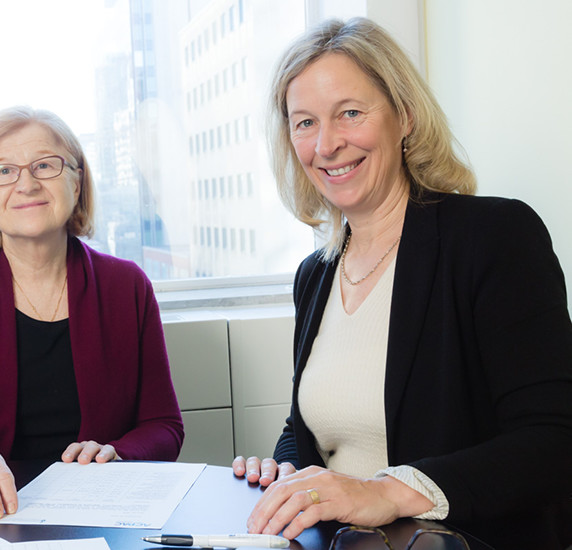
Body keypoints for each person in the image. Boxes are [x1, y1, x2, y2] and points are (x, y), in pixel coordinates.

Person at [232, 17, 572, 548]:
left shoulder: (495, 236)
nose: (327, 144)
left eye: (350, 113)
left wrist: (387, 491)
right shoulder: (315, 274)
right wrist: (285, 472)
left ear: (405, 115)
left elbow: (554, 439)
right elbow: (310, 426)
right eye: (304, 123)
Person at [0, 106, 184, 522]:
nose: (26, 184)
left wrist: (120, 454)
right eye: (4, 172)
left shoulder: (128, 286)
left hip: (99, 512)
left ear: (76, 181)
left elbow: (164, 425)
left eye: (45, 165)